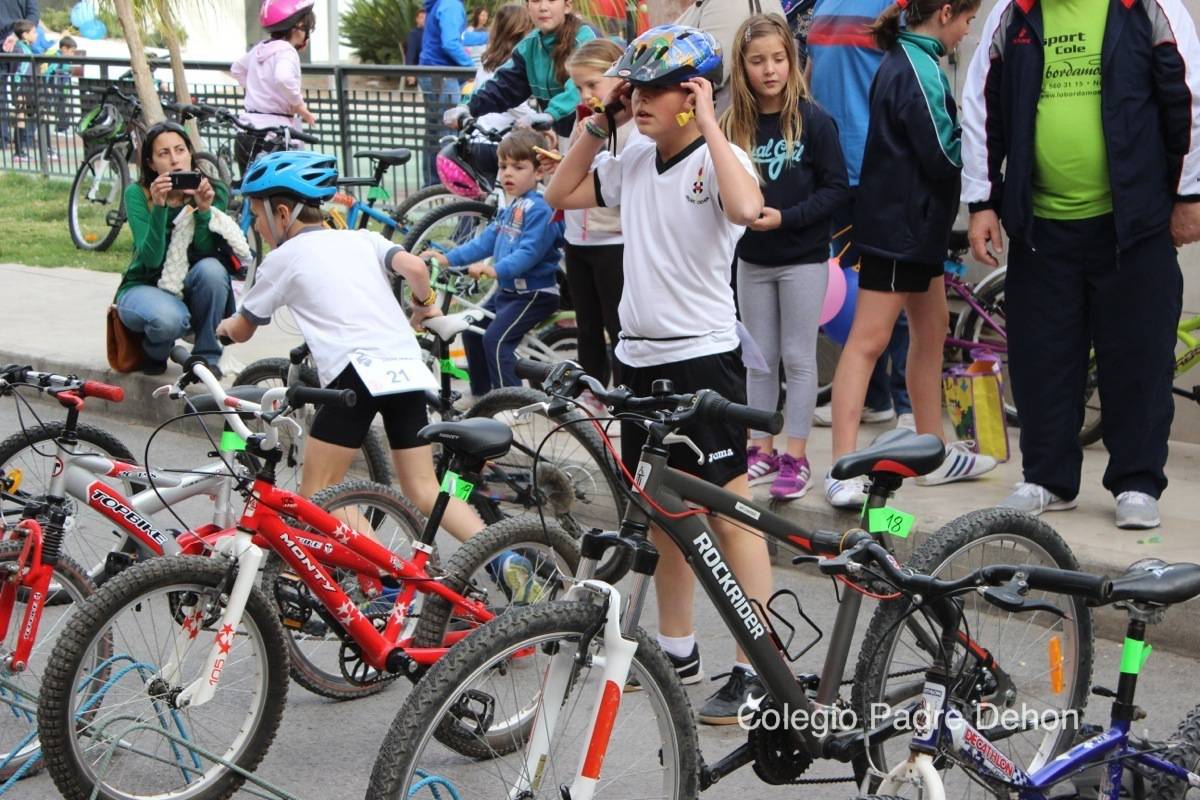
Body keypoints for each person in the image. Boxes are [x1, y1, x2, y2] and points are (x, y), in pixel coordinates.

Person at [545, 25, 771, 724]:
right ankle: (676, 649)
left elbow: (743, 209)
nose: (638, 99)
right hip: (639, 358)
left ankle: (758, 666)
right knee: (668, 514)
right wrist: (597, 121)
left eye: (654, 89)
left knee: (730, 515)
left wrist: (709, 121)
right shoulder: (635, 157)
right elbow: (559, 191)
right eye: (633, 87)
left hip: (701, 359)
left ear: (694, 92)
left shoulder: (722, 158)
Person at [962, 0, 1200, 529]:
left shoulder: (1150, 8)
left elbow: (1189, 95)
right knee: (1042, 359)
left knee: (1138, 359)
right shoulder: (1014, 12)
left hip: (1133, 226)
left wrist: (1189, 194)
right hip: (1042, 229)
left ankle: (1137, 482)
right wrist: (982, 201)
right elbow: (981, 106)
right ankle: (1047, 478)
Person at [214, 151, 496, 557]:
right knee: (423, 488)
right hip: (405, 368)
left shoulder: (281, 259)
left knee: (320, 495)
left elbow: (241, 330)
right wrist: (426, 305)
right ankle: (509, 562)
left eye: (257, 215)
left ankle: (387, 584)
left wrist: (221, 327)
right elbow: (416, 268)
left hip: (355, 375)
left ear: (281, 212)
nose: (257, 224)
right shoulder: (364, 239)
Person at [825, 0, 993, 508]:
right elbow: (943, 155)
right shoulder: (917, 64)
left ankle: (932, 454)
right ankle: (841, 471)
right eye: (967, 20)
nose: (967, 32)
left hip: (916, 229)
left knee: (932, 331)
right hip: (898, 229)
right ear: (945, 13)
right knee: (867, 343)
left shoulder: (911, 57)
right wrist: (988, 152)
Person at [722, 13, 848, 500]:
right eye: (758, 61)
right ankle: (761, 448)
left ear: (792, 61)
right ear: (743, 67)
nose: (769, 70)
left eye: (778, 58)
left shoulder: (814, 120)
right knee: (758, 360)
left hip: (803, 258)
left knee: (798, 358)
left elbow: (836, 188)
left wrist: (789, 217)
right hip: (751, 260)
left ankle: (796, 457)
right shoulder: (734, 124)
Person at [807, 0, 912, 432]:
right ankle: (872, 397)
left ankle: (908, 406)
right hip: (832, 172)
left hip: (878, 167)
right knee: (850, 292)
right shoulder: (822, 5)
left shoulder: (896, 5)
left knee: (894, 288)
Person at [418, 129, 563, 399]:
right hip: (508, 293)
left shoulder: (541, 208)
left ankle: (512, 403)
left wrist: (494, 270)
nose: (508, 173)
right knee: (472, 332)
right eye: (503, 166)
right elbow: (485, 242)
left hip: (533, 293)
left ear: (539, 173)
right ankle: (482, 395)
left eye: (518, 167)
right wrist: (447, 258)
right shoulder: (512, 207)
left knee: (495, 341)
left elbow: (529, 253)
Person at [114, 122, 236, 376]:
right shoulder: (137, 194)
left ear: (190, 154)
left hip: (191, 287)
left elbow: (207, 252)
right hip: (142, 286)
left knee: (212, 270)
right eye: (163, 154)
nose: (174, 160)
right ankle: (154, 349)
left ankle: (206, 358)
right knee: (169, 319)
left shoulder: (212, 190)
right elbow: (150, 259)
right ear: (150, 163)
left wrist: (203, 211)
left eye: (180, 150)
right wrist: (160, 208)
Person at [558, 38, 630, 398]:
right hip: (578, 238)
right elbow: (574, 169)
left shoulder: (631, 127)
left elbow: (616, 183)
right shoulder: (584, 119)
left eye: (592, 84)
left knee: (618, 327)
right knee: (586, 327)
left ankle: (622, 398)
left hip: (613, 241)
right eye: (579, 87)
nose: (585, 94)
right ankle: (592, 397)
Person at [445, 0, 596, 138]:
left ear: (567, 5)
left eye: (551, 0)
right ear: (527, 6)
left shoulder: (584, 38)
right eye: (536, 1)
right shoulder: (528, 47)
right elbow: (503, 86)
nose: (543, 7)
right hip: (564, 136)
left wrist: (551, 114)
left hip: (598, 132)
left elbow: (580, 86)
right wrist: (467, 107)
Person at [230, 0, 318, 174]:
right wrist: (300, 105)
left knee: (251, 195)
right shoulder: (286, 51)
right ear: (298, 26)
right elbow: (283, 78)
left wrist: (258, 90)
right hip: (272, 137)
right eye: (309, 29)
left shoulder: (260, 49)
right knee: (279, 196)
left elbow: (236, 69)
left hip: (246, 131)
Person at [420, 0, 474, 186]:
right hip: (443, 75)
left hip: (432, 72)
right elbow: (450, 43)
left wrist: (487, 36)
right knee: (449, 130)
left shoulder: (441, 4)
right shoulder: (451, 4)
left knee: (434, 131)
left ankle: (431, 184)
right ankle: (446, 184)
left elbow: (458, 38)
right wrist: (471, 68)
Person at [471, 3, 535, 133]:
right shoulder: (514, 62)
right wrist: (539, 119)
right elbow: (516, 106)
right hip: (504, 138)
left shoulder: (488, 59)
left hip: (481, 133)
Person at [0, 0, 38, 151]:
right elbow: (33, 15)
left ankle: (3, 139)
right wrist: (18, 35)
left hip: (6, 40)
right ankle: (24, 141)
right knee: (25, 93)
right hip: (18, 41)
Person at [9, 19, 35, 161]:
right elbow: (20, 69)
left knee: (22, 116)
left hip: (25, 85)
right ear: (25, 34)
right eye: (33, 32)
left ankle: (21, 150)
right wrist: (18, 87)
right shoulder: (20, 48)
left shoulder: (25, 47)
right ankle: (19, 151)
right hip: (21, 86)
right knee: (20, 116)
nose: (36, 35)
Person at [404, 8, 426, 87]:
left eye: (426, 18)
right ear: (417, 19)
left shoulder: (431, 34)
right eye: (422, 17)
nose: (424, 20)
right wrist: (410, 73)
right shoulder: (414, 34)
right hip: (420, 67)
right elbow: (410, 54)